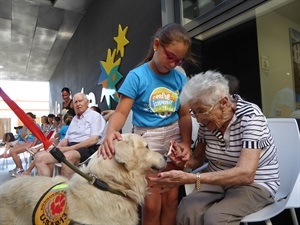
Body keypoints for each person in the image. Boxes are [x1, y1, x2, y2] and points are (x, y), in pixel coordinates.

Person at [149, 70, 279, 225]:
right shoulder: (207, 123)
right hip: (217, 181)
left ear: (224, 103)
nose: (198, 119)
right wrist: (183, 161)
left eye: (202, 111)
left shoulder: (250, 117)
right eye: (194, 112)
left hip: (255, 184)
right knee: (187, 209)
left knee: (217, 218)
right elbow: (197, 159)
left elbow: (246, 174)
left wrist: (192, 178)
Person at [99, 23, 197, 225]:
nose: (173, 64)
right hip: (147, 141)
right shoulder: (137, 76)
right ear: (157, 45)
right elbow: (121, 112)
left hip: (173, 139)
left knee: (171, 200)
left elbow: (184, 115)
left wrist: (186, 144)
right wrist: (110, 132)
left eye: (179, 60)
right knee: (151, 205)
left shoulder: (179, 77)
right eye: (170, 56)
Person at [34, 93, 106, 179]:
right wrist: (56, 149)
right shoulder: (75, 119)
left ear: (87, 102)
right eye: (76, 102)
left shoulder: (95, 116)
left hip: (88, 148)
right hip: (71, 146)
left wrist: (69, 149)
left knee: (67, 156)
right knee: (39, 157)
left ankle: (67, 189)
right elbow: (66, 139)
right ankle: (48, 187)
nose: (78, 104)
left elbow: (94, 140)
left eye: (80, 101)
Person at [9, 112, 41, 177]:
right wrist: (24, 126)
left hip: (32, 143)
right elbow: (22, 136)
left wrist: (32, 146)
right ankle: (19, 167)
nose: (27, 119)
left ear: (32, 118)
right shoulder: (27, 125)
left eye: (29, 118)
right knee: (11, 150)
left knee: (13, 151)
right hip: (28, 142)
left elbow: (37, 136)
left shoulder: (35, 125)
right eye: (26, 118)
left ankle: (20, 169)